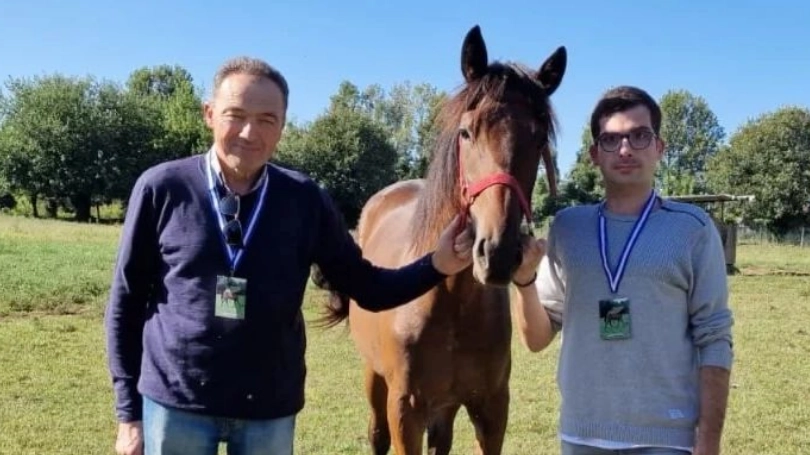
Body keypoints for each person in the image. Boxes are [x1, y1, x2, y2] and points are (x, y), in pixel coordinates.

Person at [104, 56, 474, 455]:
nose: (250, 132)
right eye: (235, 115)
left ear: (282, 126)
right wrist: (129, 414)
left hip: (268, 408)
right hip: (176, 404)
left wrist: (436, 265)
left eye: (267, 119)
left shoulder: (304, 200)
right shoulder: (162, 188)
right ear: (209, 114)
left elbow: (366, 287)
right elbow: (125, 303)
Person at [510, 86, 734, 455]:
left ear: (659, 147)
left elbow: (714, 338)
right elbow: (536, 339)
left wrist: (708, 440)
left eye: (639, 135)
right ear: (594, 155)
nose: (626, 149)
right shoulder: (568, 227)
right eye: (611, 139)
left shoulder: (693, 228)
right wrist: (524, 282)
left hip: (667, 440)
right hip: (581, 437)